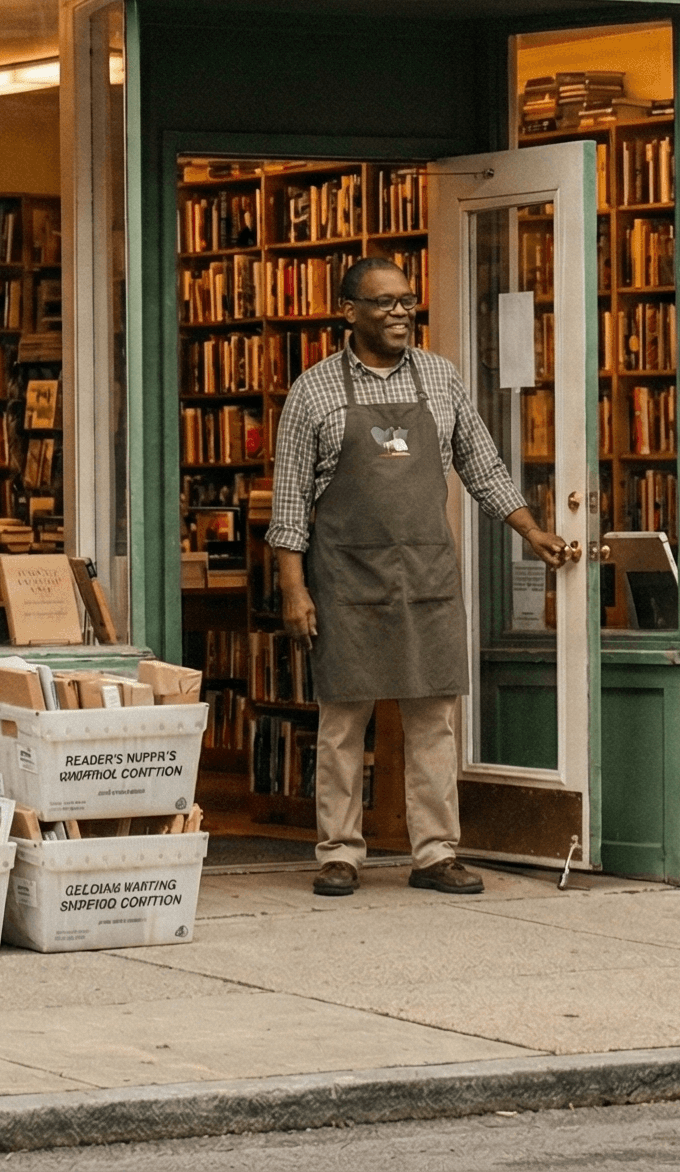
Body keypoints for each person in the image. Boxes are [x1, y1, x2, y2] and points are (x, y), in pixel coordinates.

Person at [269, 257, 572, 897]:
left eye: (408, 300)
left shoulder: (441, 378)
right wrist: (294, 588)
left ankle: (435, 853)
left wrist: (529, 527)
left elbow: (482, 464)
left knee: (433, 720)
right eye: (384, 302)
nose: (401, 312)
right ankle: (340, 852)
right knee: (343, 721)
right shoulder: (314, 390)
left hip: (427, 575)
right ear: (348, 311)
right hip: (344, 579)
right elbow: (290, 501)